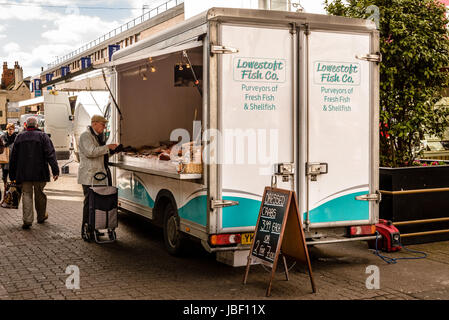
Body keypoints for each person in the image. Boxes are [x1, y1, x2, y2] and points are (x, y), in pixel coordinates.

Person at [9, 116, 59, 229]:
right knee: (40, 194)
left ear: (26, 125)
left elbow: (13, 158)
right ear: (37, 125)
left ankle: (27, 220)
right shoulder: (43, 136)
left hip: (23, 173)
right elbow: (51, 154)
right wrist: (55, 170)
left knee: (26, 194)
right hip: (40, 173)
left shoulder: (19, 137)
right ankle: (41, 216)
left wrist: (12, 175)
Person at [78, 115, 118, 238]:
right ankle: (86, 229)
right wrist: (107, 147)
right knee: (89, 204)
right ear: (94, 123)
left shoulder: (97, 136)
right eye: (102, 124)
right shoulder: (86, 136)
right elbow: (91, 152)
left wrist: (112, 151)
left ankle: (95, 227)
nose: (104, 127)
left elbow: (100, 154)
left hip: (99, 176)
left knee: (97, 205)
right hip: (89, 177)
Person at [1, 123, 17, 202]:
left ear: (14, 130)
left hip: (13, 161)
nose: (10, 130)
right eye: (8, 129)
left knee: (12, 178)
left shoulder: (16, 138)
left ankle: (11, 195)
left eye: (11, 129)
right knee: (4, 177)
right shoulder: (3, 137)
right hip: (5, 160)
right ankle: (5, 192)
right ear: (7, 129)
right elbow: (2, 146)